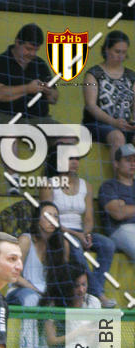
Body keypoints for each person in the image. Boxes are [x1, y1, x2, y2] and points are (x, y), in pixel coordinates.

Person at [0, 24, 59, 193]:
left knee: (68, 138)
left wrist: (48, 91)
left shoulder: (39, 64)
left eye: (36, 50)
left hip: (37, 119)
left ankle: (48, 184)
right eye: (28, 48)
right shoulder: (0, 62)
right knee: (10, 130)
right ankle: (14, 182)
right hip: (5, 116)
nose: (32, 54)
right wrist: (28, 88)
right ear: (17, 42)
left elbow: (55, 98)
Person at [40, 146, 116, 308]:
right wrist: (77, 235)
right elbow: (48, 217)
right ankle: (97, 294)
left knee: (108, 244)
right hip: (58, 232)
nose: (75, 162)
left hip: (80, 232)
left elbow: (88, 218)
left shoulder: (86, 186)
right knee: (74, 244)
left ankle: (94, 288)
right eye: (70, 158)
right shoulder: (49, 184)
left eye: (77, 159)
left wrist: (86, 235)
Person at [6, 201, 70, 348]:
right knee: (33, 299)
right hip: (19, 290)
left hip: (45, 293)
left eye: (55, 216)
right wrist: (33, 288)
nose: (52, 220)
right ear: (37, 219)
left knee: (59, 300)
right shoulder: (25, 240)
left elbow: (63, 277)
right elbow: (11, 274)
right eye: (47, 216)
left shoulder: (62, 244)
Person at [83, 30, 135, 163]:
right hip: (96, 124)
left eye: (124, 52)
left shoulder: (131, 76)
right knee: (118, 137)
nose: (121, 56)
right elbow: (91, 106)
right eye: (117, 51)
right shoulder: (93, 73)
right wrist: (114, 122)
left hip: (124, 124)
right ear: (106, 49)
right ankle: (119, 180)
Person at [98, 143, 135, 262]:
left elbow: (124, 211)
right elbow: (118, 213)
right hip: (120, 230)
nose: (133, 164)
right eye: (128, 160)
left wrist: (126, 208)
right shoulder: (108, 186)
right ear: (116, 164)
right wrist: (123, 210)